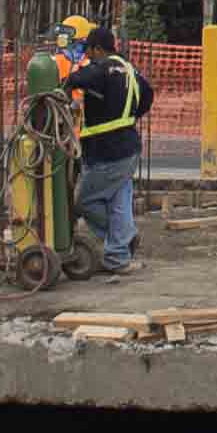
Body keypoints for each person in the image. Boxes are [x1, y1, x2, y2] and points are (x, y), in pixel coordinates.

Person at [59, 14, 152, 280]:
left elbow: (77, 78)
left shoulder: (103, 68)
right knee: (119, 201)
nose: (87, 57)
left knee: (85, 201)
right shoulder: (131, 70)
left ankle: (120, 244)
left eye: (89, 51)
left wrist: (64, 91)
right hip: (129, 148)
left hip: (106, 152)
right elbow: (147, 97)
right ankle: (120, 252)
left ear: (98, 49)